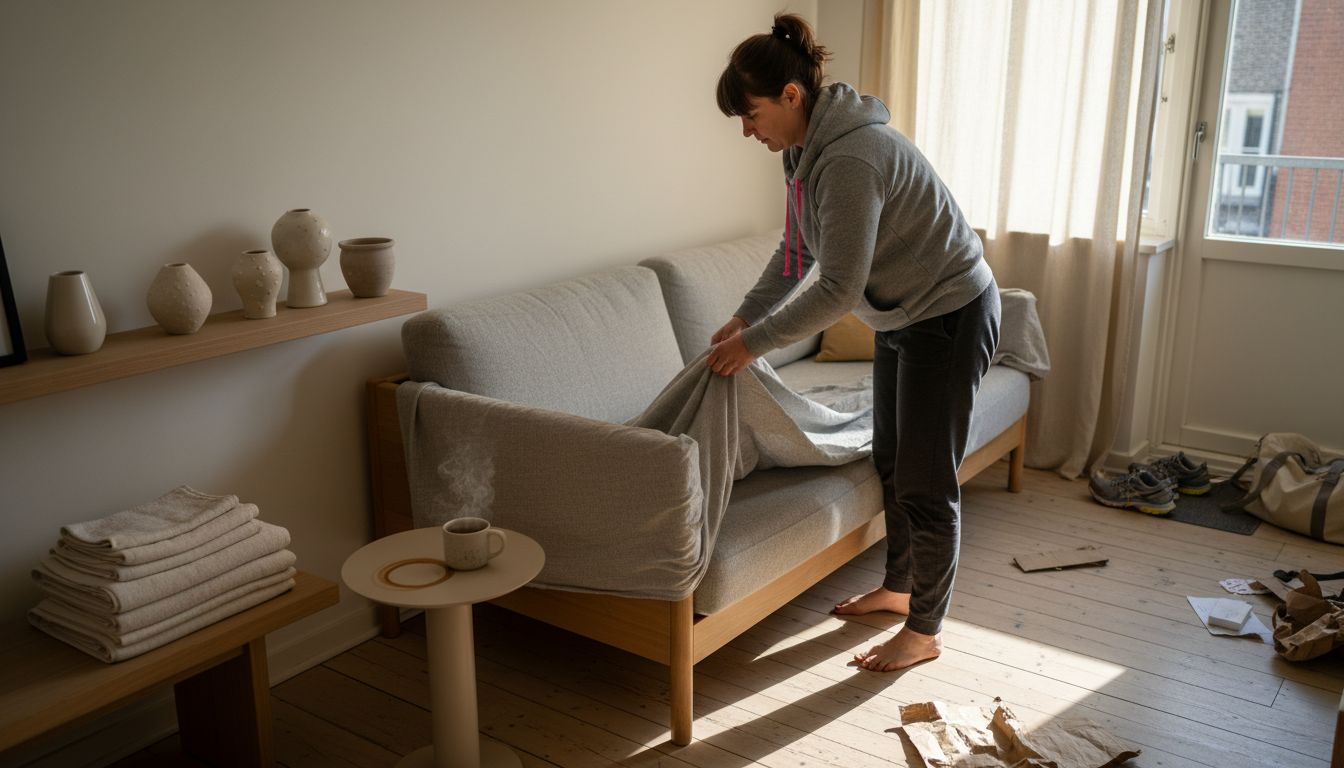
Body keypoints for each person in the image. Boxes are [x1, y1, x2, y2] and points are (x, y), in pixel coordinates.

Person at [706, 13, 1001, 672]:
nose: (748, 132)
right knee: (894, 459)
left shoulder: (850, 158)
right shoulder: (800, 153)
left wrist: (753, 343)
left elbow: (838, 287)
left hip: (950, 314)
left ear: (790, 96)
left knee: (927, 481)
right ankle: (900, 591)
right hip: (902, 318)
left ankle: (924, 632)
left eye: (751, 115)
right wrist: (742, 318)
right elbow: (794, 252)